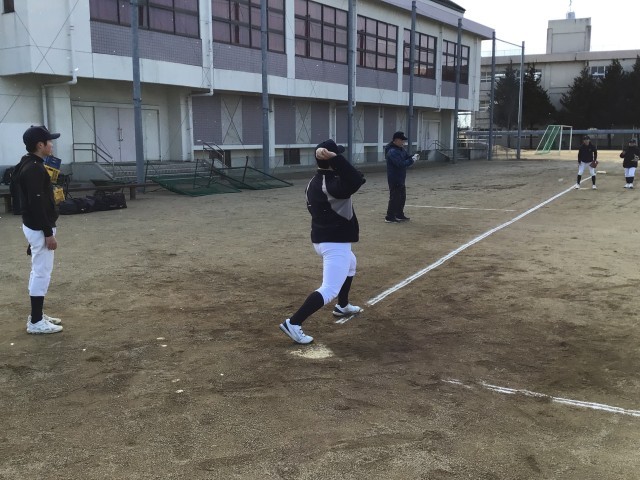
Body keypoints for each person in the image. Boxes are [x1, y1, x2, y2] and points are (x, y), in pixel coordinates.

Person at [279, 139, 366, 344]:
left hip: (323, 239)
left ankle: (342, 306)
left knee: (351, 264)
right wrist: (336, 160)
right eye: (337, 155)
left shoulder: (315, 181)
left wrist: (332, 161)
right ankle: (294, 322)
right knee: (329, 289)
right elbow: (357, 179)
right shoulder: (335, 185)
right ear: (331, 159)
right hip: (334, 242)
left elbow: (352, 178)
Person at [15, 125, 63, 334]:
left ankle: (37, 315)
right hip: (39, 227)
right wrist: (47, 233)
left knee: (38, 270)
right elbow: (36, 203)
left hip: (33, 226)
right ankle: (35, 321)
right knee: (42, 273)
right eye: (49, 142)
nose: (51, 145)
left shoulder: (27, 163)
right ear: (40, 145)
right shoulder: (34, 168)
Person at [384, 131, 419, 222]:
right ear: (396, 140)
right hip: (394, 177)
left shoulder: (400, 149)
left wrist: (413, 157)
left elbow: (406, 157)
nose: (403, 142)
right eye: (402, 140)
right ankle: (390, 216)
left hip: (401, 177)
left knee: (402, 197)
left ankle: (399, 214)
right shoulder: (392, 151)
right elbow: (400, 164)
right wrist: (412, 160)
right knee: (395, 197)